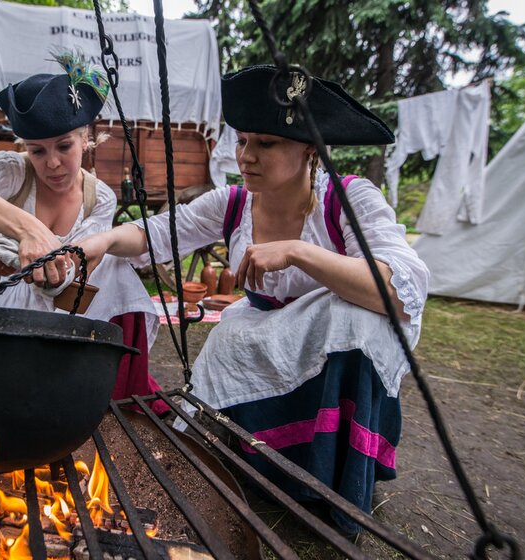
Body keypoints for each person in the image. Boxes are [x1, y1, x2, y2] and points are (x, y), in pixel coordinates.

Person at [78, 65, 430, 533]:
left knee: (355, 321)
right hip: (259, 333)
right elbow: (156, 233)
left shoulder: (347, 199)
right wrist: (98, 242)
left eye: (266, 143)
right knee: (228, 347)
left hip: (331, 346)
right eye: (243, 141)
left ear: (310, 149)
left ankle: (333, 484)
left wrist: (299, 252)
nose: (247, 156)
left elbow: (400, 289)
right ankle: (266, 469)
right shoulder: (233, 202)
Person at [0, 51, 168, 414]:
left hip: (65, 313)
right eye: (37, 151)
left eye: (63, 146)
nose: (52, 163)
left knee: (119, 271)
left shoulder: (99, 197)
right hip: (3, 305)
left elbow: (81, 262)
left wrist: (55, 262)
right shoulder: (14, 172)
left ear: (84, 137)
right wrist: (27, 228)